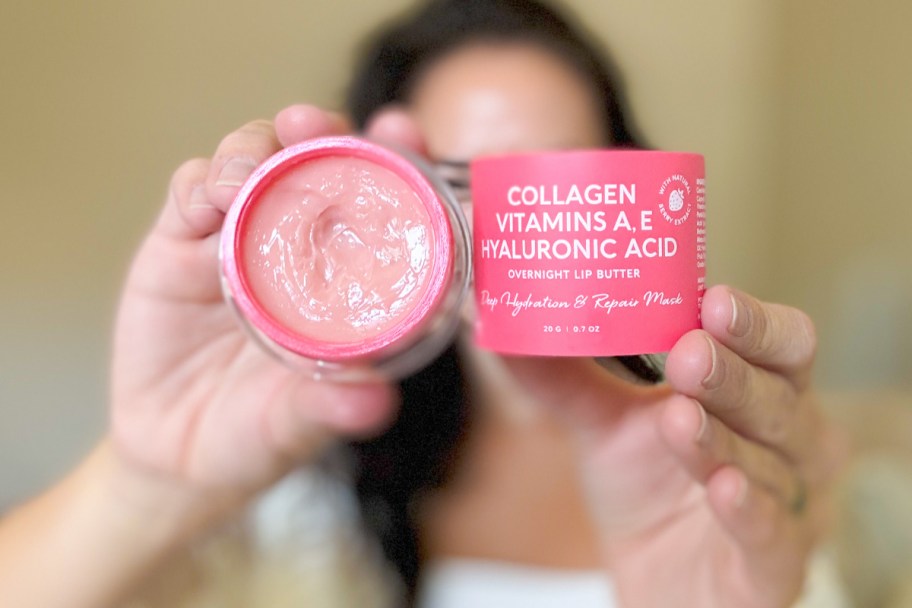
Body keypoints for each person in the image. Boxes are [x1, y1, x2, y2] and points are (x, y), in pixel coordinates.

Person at [0, 0, 847, 606]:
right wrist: (145, 486)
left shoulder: (728, 477)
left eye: (542, 179)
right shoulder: (304, 470)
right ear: (379, 193)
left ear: (619, 192)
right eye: (453, 179)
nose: (494, 233)